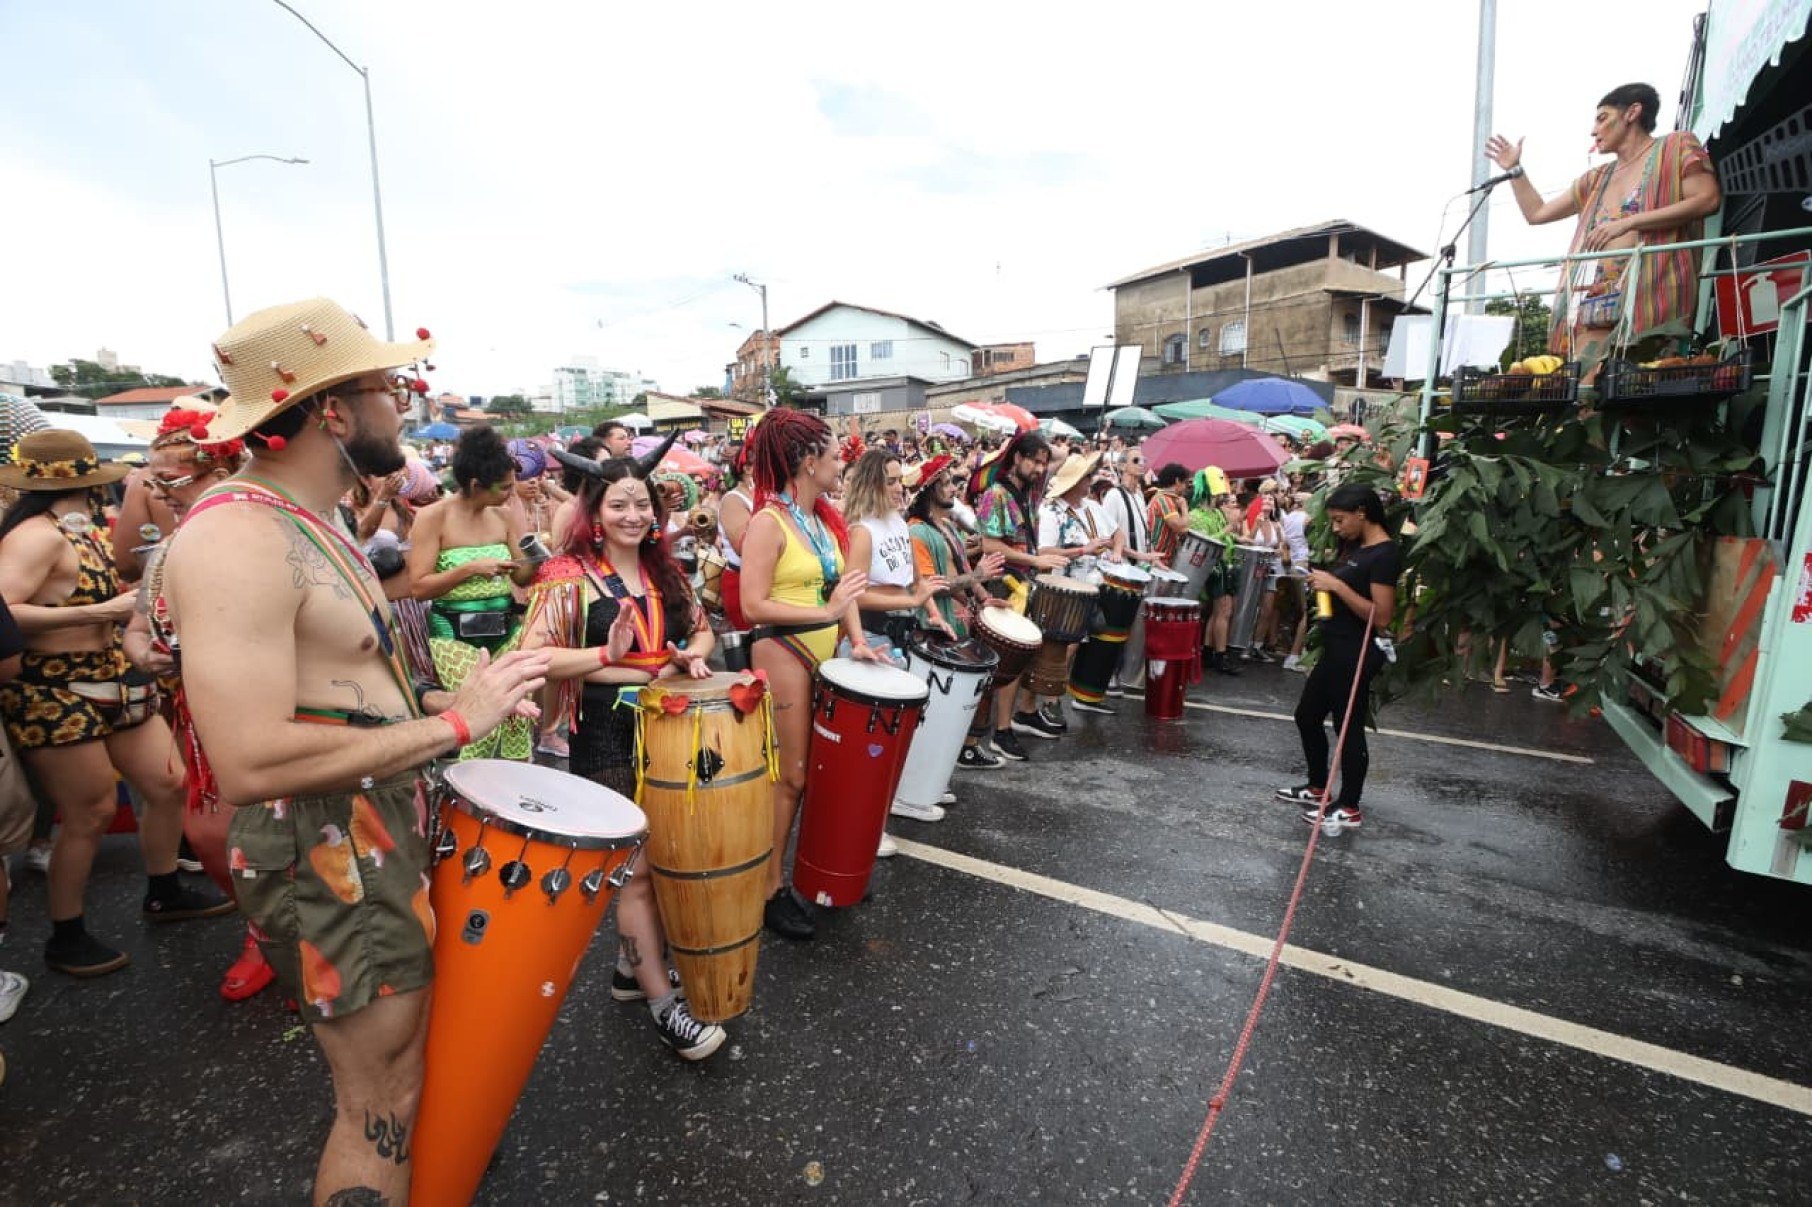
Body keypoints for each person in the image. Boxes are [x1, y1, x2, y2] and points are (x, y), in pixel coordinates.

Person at [159, 298, 552, 1204]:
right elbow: (251, 755)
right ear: (332, 409)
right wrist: (453, 727)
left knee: (402, 1075)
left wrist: (446, 698)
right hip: (327, 841)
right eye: (390, 386)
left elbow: (335, 692)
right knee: (380, 1096)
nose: (406, 403)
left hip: (364, 824)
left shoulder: (309, 519)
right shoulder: (235, 536)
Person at [0, 430, 231, 977]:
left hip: (114, 677)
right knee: (91, 812)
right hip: (50, 688)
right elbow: (4, 610)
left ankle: (164, 890)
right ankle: (67, 932)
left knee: (167, 782)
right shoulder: (35, 536)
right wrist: (96, 613)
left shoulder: (77, 527)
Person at [521, 451, 727, 1060]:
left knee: (668, 857)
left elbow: (703, 628)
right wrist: (603, 658)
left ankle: (627, 970)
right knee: (635, 871)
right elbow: (538, 657)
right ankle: (666, 1006)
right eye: (619, 505)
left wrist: (690, 654)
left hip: (670, 728)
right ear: (595, 512)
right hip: (606, 733)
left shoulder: (667, 569)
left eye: (642, 503)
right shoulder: (567, 575)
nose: (633, 515)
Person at [124, 406, 275, 1002]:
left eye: (173, 482)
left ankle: (306, 943)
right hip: (199, 717)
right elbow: (138, 625)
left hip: (280, 709)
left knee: (296, 838)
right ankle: (263, 931)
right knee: (211, 835)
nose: (160, 496)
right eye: (152, 483)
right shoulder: (168, 551)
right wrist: (143, 652)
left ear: (226, 467)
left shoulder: (273, 530)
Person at [737, 409, 875, 941]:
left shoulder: (821, 519)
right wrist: (825, 616)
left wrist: (858, 640)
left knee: (814, 777)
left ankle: (806, 875)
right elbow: (752, 606)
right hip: (783, 651)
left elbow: (844, 590)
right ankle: (768, 891)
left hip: (826, 652)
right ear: (809, 461)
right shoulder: (767, 523)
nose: (843, 461)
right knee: (790, 778)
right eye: (836, 454)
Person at [1486, 82, 1720, 372]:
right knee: (1583, 389)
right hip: (1598, 297)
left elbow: (1708, 199)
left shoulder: (1675, 146)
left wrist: (1630, 222)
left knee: (1637, 384)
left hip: (1654, 291)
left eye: (1602, 118)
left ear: (1633, 112)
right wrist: (1514, 170)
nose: (1593, 130)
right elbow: (1537, 213)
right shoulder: (1596, 178)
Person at [408, 425, 539, 759]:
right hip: (453, 632)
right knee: (476, 719)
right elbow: (419, 587)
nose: (511, 493)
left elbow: (523, 578)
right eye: (504, 487)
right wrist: (470, 568)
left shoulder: (505, 516)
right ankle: (468, 804)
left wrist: (534, 560)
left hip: (506, 628)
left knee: (517, 719)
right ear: (475, 485)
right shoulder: (432, 517)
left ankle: (515, 800)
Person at [1276, 483, 1401, 831]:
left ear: (1362, 512)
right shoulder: (1356, 547)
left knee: (1348, 727)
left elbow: (1382, 616)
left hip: (1358, 650)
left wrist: (1337, 586)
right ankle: (1318, 785)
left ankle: (1349, 805)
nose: (1336, 527)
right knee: (1307, 715)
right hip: (1335, 647)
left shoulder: (1385, 553)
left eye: (1340, 520)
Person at [843, 450, 955, 836]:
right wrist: (911, 601)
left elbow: (913, 583)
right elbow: (853, 595)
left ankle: (896, 802)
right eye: (891, 481)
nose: (899, 489)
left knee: (897, 733)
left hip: (900, 636)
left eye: (900, 481)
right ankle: (864, 829)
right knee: (871, 743)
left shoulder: (898, 525)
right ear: (873, 484)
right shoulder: (862, 530)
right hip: (872, 637)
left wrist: (934, 614)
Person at [906, 456, 1008, 772]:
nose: (953, 488)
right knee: (940, 699)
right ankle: (930, 765)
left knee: (966, 694)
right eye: (947, 483)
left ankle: (960, 750)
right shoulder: (916, 532)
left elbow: (964, 568)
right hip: (938, 624)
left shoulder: (947, 525)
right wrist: (977, 576)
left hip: (962, 619)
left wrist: (986, 597)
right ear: (929, 490)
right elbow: (930, 586)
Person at [972, 430, 1067, 761]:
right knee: (1007, 662)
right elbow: (991, 546)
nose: (1042, 468)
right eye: (1035, 461)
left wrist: (1038, 440)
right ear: (1017, 458)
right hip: (1002, 585)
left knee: (1020, 659)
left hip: (1023, 582)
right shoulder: (995, 495)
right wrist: (1035, 561)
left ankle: (1007, 725)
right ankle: (999, 732)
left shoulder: (1029, 492)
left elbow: (1062, 457)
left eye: (1043, 462)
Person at [1030, 451, 1108, 727]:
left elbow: (1113, 534)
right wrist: (1083, 550)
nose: (1091, 481)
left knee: (1070, 647)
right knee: (1058, 649)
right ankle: (1047, 700)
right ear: (1074, 482)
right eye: (1087, 477)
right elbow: (1044, 550)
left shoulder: (1089, 508)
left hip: (1084, 590)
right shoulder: (1051, 511)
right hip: (1060, 591)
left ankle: (1050, 697)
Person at [1185, 477, 1242, 676]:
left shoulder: (1217, 512)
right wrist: (1227, 529)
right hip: (1207, 567)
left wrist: (1236, 535)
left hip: (1222, 565)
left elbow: (1226, 536)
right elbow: (1204, 542)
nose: (1223, 497)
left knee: (1220, 612)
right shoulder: (1195, 515)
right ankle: (1217, 655)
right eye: (1219, 493)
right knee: (1216, 611)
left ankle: (1210, 653)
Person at [1145, 463, 1192, 568]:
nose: (1186, 488)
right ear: (1177, 481)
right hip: (1158, 560)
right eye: (1185, 483)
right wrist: (1184, 508)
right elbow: (1181, 527)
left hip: (1160, 559)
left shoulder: (1166, 498)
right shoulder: (1164, 499)